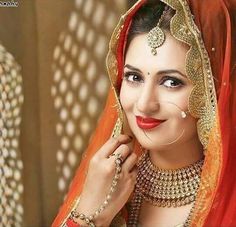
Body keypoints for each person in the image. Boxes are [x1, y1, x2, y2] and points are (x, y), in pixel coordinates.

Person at [52, 0, 236, 226]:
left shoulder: (227, 200)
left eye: (171, 82)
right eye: (134, 77)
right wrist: (91, 213)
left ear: (213, 90)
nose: (144, 104)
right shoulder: (107, 184)